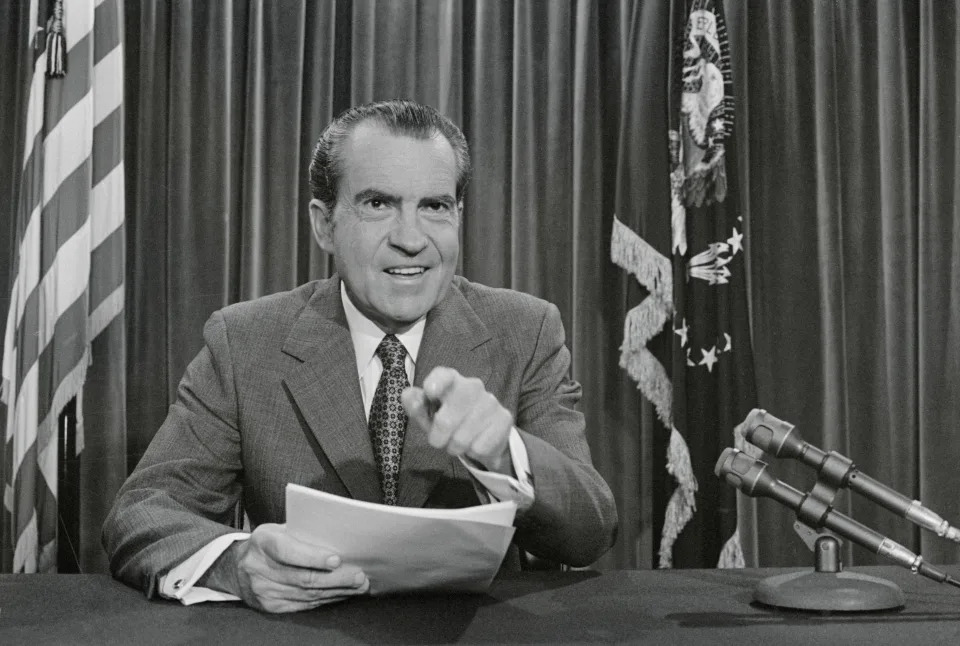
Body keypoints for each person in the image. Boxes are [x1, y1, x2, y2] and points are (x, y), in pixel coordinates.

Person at [102, 99, 618, 613]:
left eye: (434, 206)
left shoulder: (524, 331)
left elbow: (590, 530)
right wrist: (234, 566)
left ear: (459, 216)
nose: (411, 239)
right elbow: (143, 511)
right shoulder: (245, 342)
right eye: (379, 204)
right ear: (324, 224)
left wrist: (507, 452)